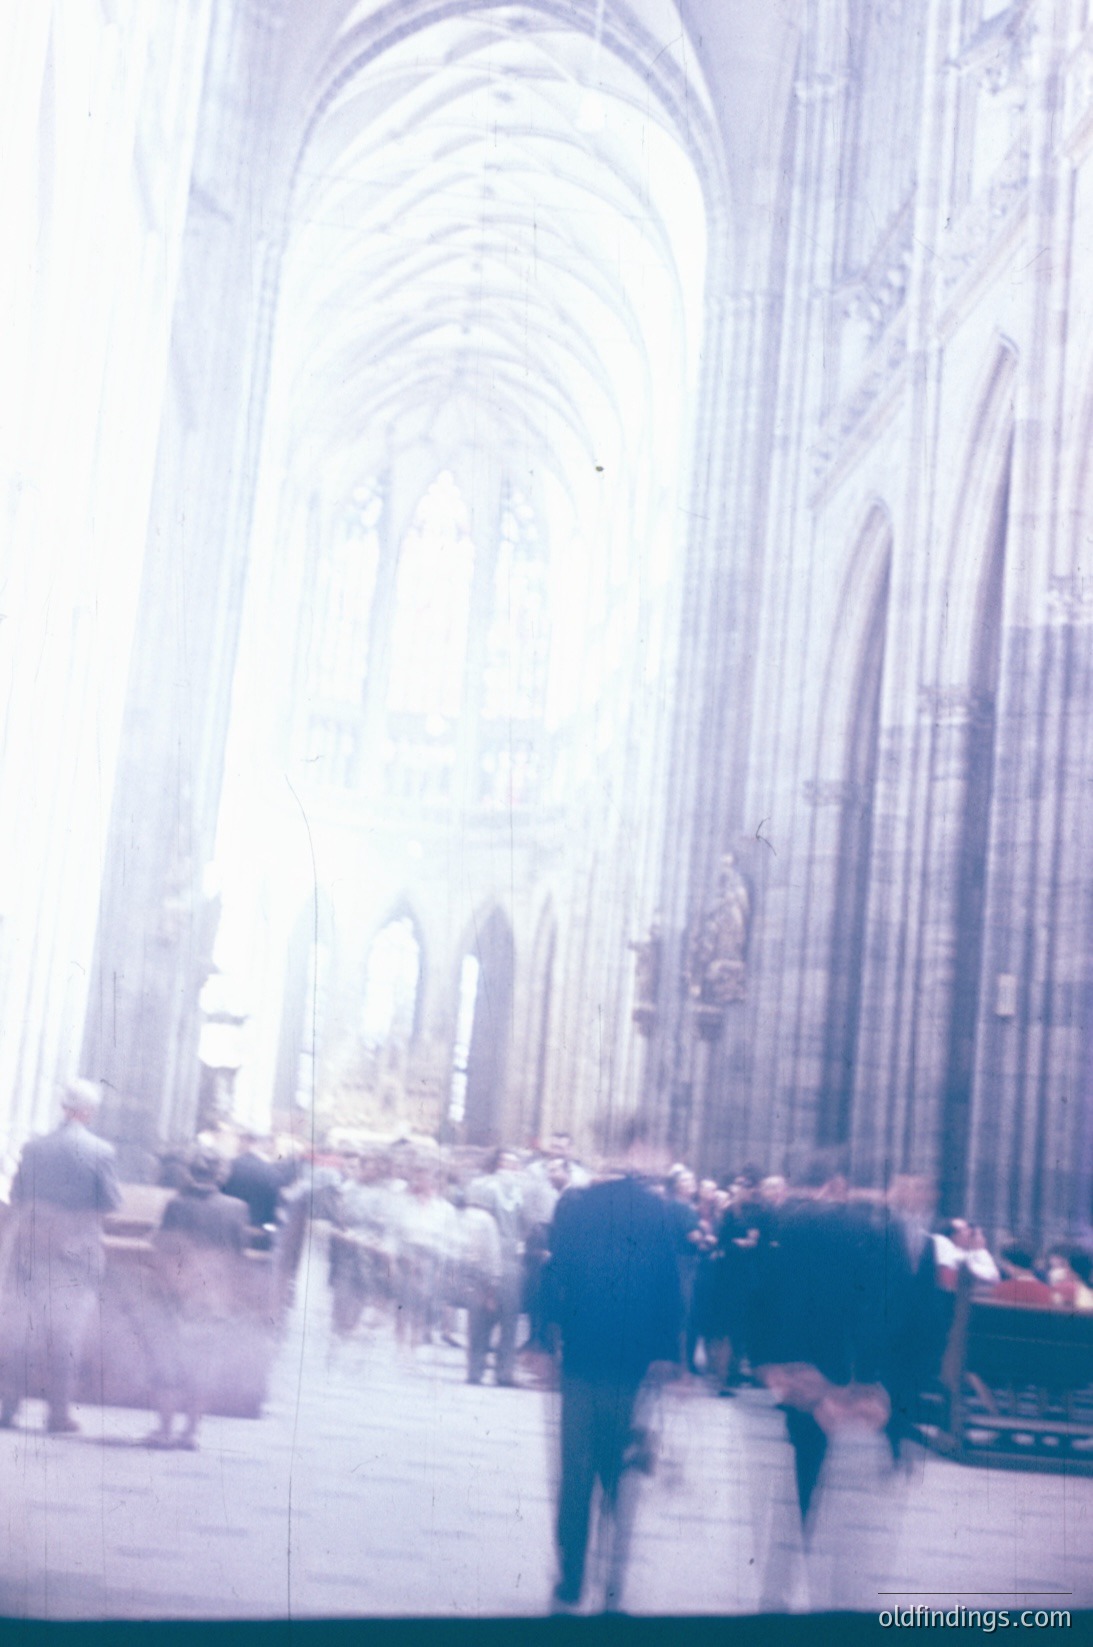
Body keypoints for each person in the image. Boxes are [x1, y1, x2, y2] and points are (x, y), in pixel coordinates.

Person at [543, 1123, 683, 1612]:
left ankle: (571, 1576)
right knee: (618, 1468)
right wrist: (670, 1353)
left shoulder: (579, 1205)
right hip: (631, 1365)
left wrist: (543, 1338)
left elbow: (556, 1271)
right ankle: (612, 1580)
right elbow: (669, 1282)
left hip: (581, 1358)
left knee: (574, 1470)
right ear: (639, 1151)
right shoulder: (657, 1210)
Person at [0, 1079, 122, 1433]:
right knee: (65, 1338)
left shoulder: (35, 1147)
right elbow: (111, 1204)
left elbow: (19, 1194)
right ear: (89, 1111)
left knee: (22, 1333)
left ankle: (8, 1409)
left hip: (31, 1252)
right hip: (74, 1256)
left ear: (63, 1107)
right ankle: (57, 1414)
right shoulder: (102, 1151)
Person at [145, 1147, 249, 1450]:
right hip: (213, 1297)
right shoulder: (237, 1209)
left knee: (167, 1362)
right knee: (203, 1364)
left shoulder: (176, 1205)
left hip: (175, 1293)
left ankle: (164, 1430)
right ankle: (190, 1433)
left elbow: (163, 1246)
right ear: (221, 1174)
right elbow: (238, 1252)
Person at [466, 1148, 527, 1385]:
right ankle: (501, 1372)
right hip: (503, 1257)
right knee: (504, 1318)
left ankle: (478, 1370)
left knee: (486, 1316)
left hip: (496, 1257)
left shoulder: (481, 1186)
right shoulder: (522, 1189)